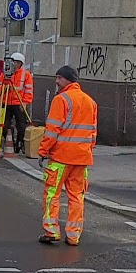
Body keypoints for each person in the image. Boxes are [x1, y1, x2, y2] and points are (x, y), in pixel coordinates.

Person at [38, 65, 98, 246]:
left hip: (61, 158)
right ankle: (73, 235)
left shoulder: (61, 99)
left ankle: (51, 231)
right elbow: (93, 133)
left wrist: (43, 150)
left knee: (51, 194)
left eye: (59, 78)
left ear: (68, 80)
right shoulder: (90, 101)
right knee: (77, 196)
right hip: (81, 159)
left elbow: (52, 131)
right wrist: (87, 150)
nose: (56, 81)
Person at [2, 52, 34, 153]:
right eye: (12, 62)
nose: (13, 64)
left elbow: (29, 90)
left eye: (15, 62)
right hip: (6, 102)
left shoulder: (26, 74)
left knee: (21, 125)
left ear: (20, 63)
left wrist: (25, 102)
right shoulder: (5, 73)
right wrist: (5, 88)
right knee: (4, 125)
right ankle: (10, 142)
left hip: (18, 103)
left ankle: (20, 143)